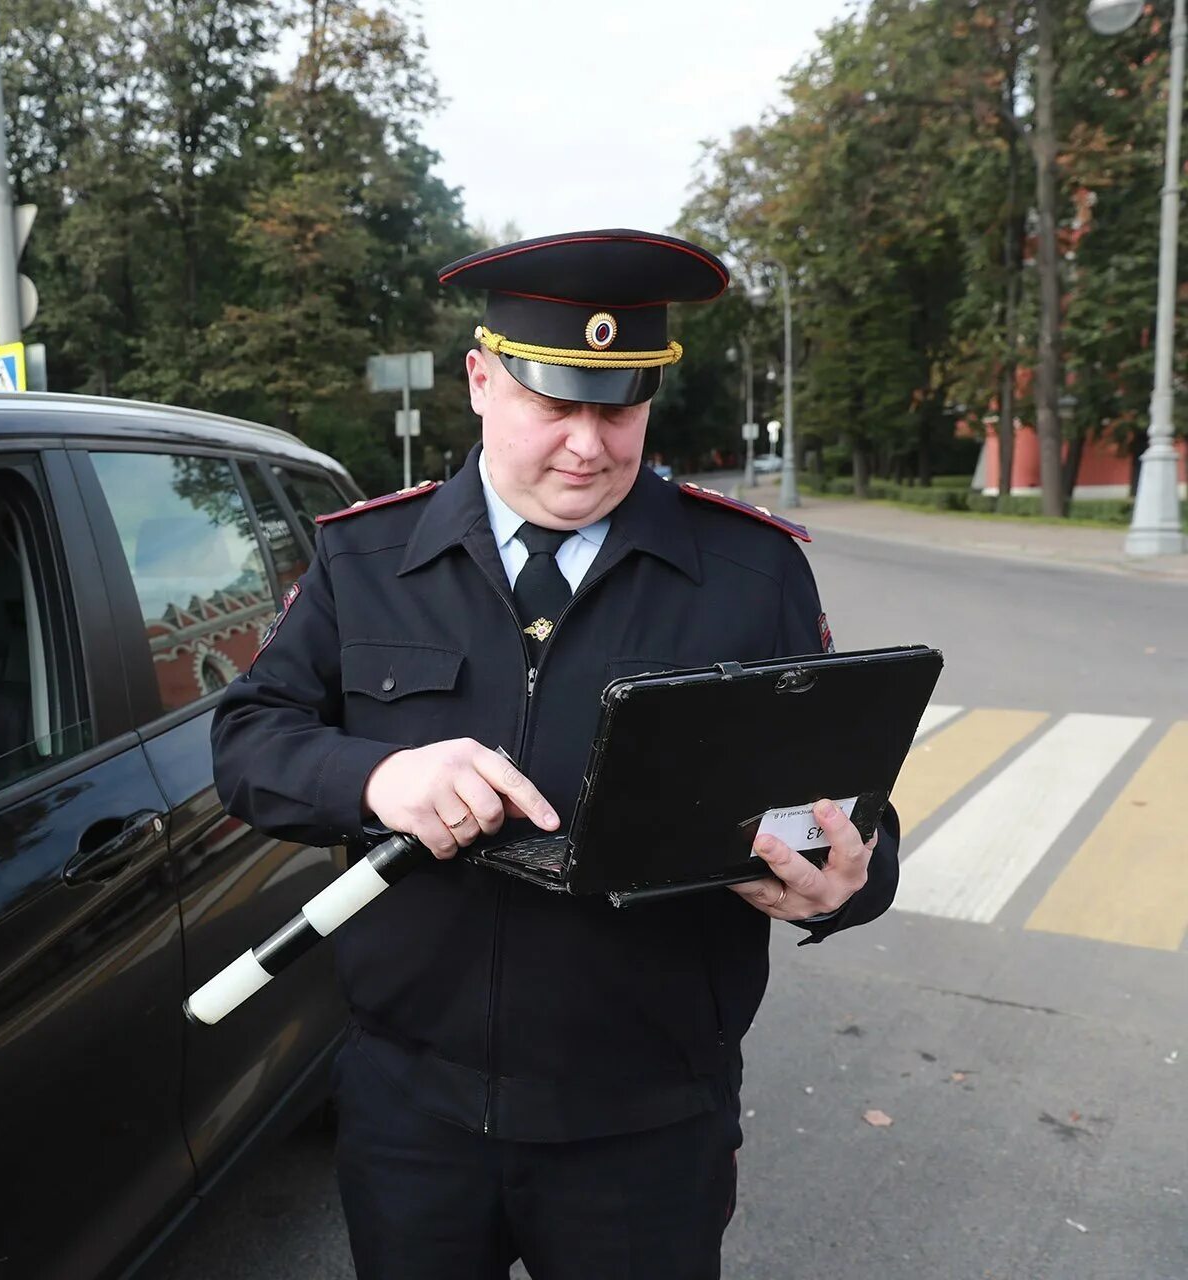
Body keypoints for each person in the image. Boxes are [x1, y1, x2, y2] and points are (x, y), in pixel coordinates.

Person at [211, 229, 899, 1280]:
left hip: (648, 1121)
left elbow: (850, 801)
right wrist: (377, 776)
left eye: (618, 407)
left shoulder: (749, 572)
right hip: (413, 1112)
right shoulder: (366, 556)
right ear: (481, 381)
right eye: (555, 404)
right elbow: (248, 742)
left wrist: (850, 880)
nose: (588, 444)